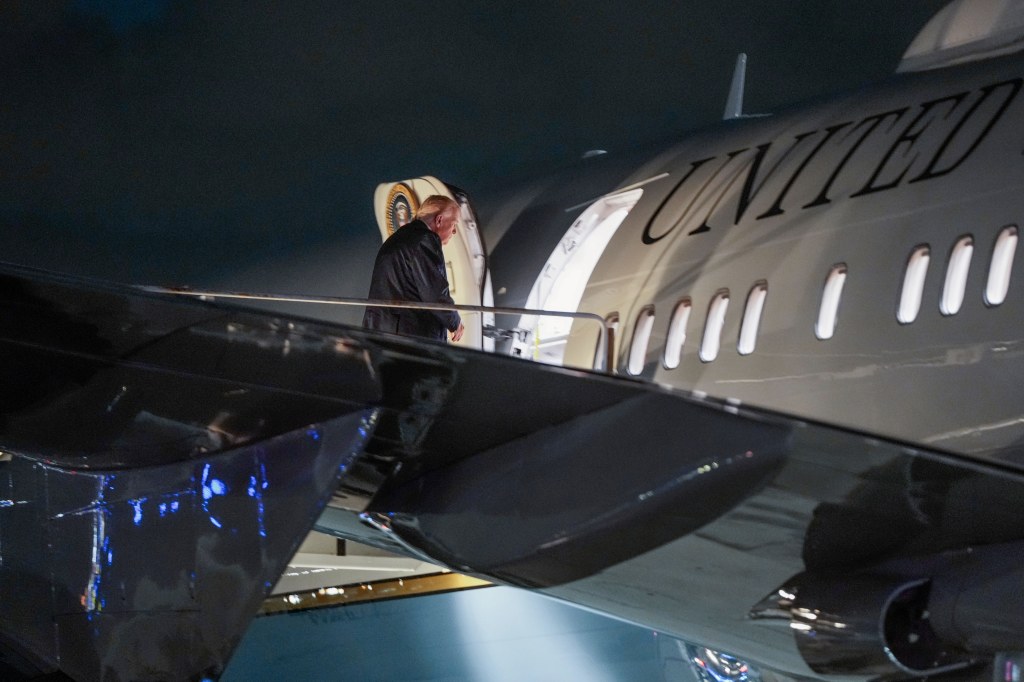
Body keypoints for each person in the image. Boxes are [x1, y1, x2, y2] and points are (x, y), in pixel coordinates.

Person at [362, 194, 466, 342]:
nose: (454, 231)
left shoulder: (398, 238)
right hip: (410, 337)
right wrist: (455, 321)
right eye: (454, 223)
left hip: (381, 333)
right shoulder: (426, 239)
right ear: (439, 220)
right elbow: (434, 293)